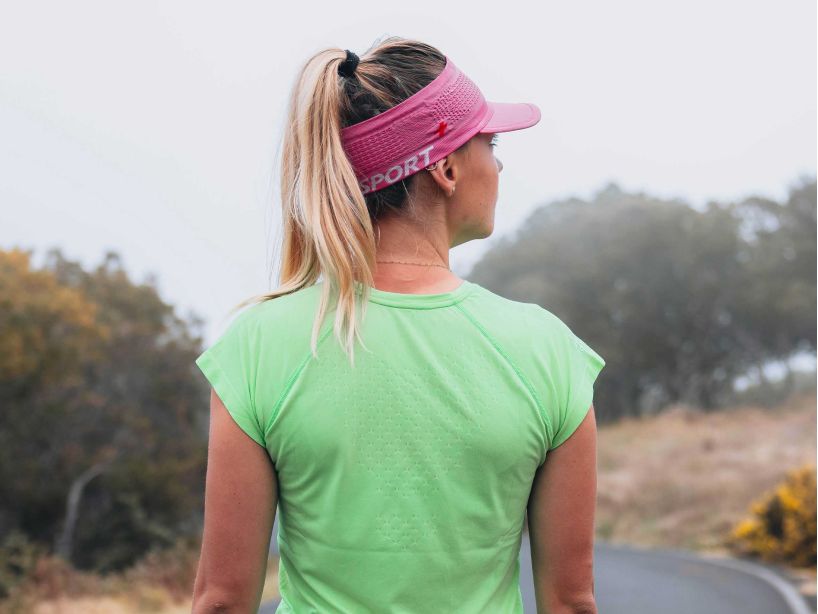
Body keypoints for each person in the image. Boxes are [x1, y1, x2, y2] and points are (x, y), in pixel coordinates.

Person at [190, 35, 605, 614]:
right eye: (490, 140)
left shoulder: (259, 346)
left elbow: (220, 602)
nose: (501, 161)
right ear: (447, 167)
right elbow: (570, 602)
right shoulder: (547, 352)